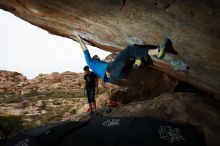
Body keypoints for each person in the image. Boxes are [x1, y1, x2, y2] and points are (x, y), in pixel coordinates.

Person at [73, 32, 176, 82]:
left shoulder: (98, 69)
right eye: (96, 56)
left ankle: (137, 61)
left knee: (131, 56)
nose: (98, 57)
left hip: (119, 76)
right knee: (130, 49)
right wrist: (78, 38)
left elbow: (108, 79)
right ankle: (157, 52)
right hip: (112, 70)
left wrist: (110, 76)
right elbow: (85, 50)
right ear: (94, 58)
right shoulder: (90, 63)